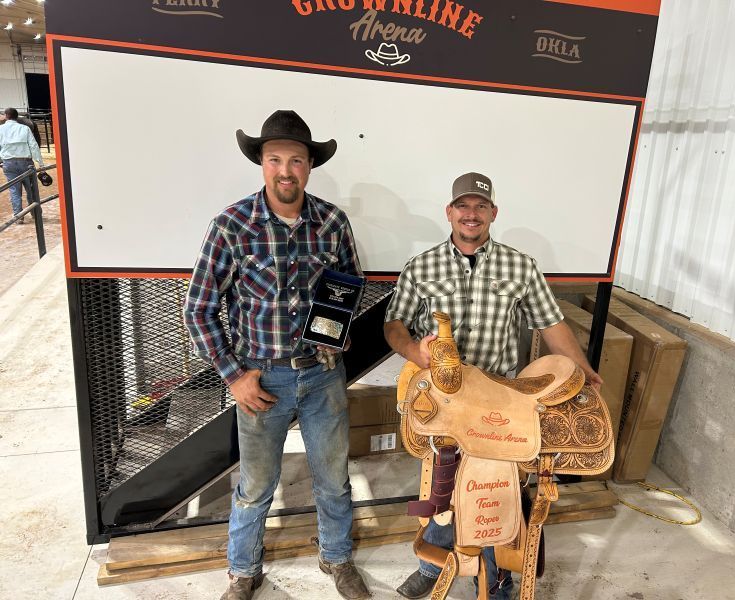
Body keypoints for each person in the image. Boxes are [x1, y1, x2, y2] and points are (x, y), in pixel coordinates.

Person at [383, 172, 603, 600]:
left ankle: (499, 575)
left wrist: (583, 369)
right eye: (463, 206)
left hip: (502, 391)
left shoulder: (521, 266)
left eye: (480, 207)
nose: (471, 214)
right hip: (446, 394)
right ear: (449, 212)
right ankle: (434, 563)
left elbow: (551, 323)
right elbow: (393, 323)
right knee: (442, 483)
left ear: (493, 213)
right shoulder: (421, 266)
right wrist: (414, 351)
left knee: (501, 482)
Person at [184, 110, 370, 600]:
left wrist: (337, 332)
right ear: (262, 164)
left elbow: (348, 285)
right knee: (255, 484)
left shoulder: (333, 222)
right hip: (260, 381)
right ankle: (244, 571)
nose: (286, 170)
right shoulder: (231, 226)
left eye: (296, 160)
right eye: (275, 160)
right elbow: (199, 309)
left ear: (310, 166)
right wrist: (233, 376)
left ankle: (337, 557)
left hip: (323, 377)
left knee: (333, 478)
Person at [0, 108, 44, 224]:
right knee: (31, 189)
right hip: (26, 162)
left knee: (14, 191)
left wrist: (1, 161)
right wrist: (40, 163)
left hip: (9, 163)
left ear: (6, 116)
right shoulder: (25, 128)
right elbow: (34, 146)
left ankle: (18, 216)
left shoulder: (0, 129)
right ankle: (35, 213)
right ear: (16, 116)